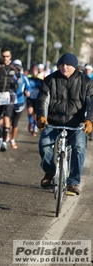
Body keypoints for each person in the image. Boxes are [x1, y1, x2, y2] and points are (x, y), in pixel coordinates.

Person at [36, 52, 93, 195]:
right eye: (61, 65)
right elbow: (42, 99)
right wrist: (42, 117)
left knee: (79, 148)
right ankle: (49, 172)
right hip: (53, 123)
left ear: (74, 67)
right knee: (44, 144)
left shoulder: (86, 82)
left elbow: (92, 102)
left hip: (76, 124)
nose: (64, 67)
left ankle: (73, 182)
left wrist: (89, 120)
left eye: (68, 65)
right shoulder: (50, 80)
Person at [0, 47, 20, 151]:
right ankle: (0, 137)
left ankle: (5, 142)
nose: (5, 58)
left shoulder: (15, 69)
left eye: (7, 56)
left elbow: (19, 80)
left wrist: (16, 85)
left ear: (11, 56)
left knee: (6, 117)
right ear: (1, 56)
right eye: (4, 56)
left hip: (9, 95)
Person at [9, 59, 31, 149]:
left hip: (20, 102)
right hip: (8, 102)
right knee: (7, 121)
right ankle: (5, 137)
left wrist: (27, 92)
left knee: (15, 123)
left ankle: (12, 139)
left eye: (18, 66)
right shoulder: (9, 76)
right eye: (15, 66)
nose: (16, 68)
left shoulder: (24, 77)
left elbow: (28, 87)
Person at [27, 65, 42, 137]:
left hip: (37, 99)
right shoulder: (28, 79)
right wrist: (25, 91)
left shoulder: (40, 81)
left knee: (35, 116)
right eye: (33, 71)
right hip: (30, 98)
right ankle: (30, 123)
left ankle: (34, 128)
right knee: (30, 112)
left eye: (35, 71)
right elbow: (25, 87)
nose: (34, 73)